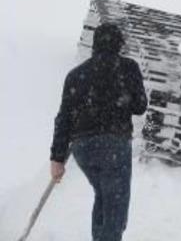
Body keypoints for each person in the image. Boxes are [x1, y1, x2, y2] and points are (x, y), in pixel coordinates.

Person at [50, 23, 148, 241]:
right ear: (119, 44)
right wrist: (124, 97)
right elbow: (141, 106)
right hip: (114, 144)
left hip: (83, 148)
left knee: (104, 196)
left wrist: (57, 159)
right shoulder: (128, 67)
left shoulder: (76, 75)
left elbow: (63, 117)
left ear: (95, 44)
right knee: (116, 205)